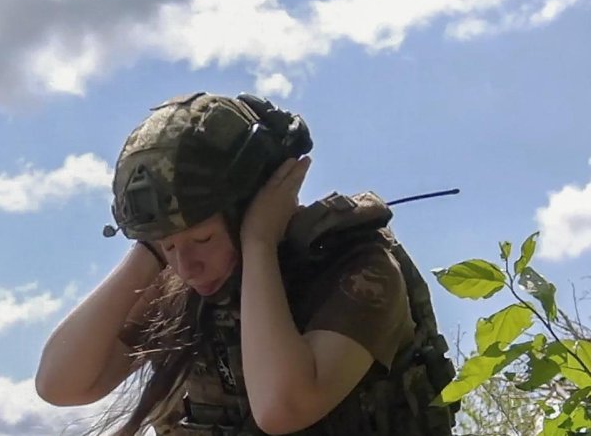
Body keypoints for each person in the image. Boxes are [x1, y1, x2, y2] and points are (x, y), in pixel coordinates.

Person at [34, 92, 457, 436]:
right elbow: (61, 384)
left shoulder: (357, 268)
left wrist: (258, 242)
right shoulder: (183, 285)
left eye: (202, 239)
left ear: (257, 204)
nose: (187, 267)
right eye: (169, 247)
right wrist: (148, 251)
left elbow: (283, 408)